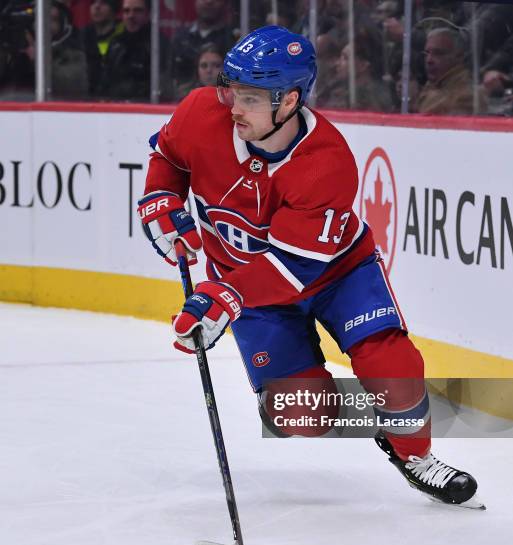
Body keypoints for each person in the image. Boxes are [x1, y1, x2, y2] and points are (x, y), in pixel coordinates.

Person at [137, 25, 482, 509]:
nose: (234, 106)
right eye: (231, 89)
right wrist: (159, 197)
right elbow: (168, 156)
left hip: (338, 275)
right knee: (300, 414)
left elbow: (292, 266)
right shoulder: (202, 111)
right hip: (251, 291)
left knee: (395, 371)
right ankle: (355, 404)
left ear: (290, 100)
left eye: (252, 98)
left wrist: (223, 298)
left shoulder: (326, 161)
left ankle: (414, 453)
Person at [101, 0, 169, 101]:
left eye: (137, 10)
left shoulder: (158, 44)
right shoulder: (115, 44)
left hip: (146, 107)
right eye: (126, 11)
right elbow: (105, 81)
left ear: (148, 14)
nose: (131, 15)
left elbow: (163, 84)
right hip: (115, 107)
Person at [171, 0, 236, 97]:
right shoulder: (180, 39)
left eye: (216, 65)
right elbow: (168, 79)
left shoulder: (235, 40)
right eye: (204, 66)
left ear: (226, 3)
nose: (209, 1)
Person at [417, 27, 485, 115]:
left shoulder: (467, 96)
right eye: (426, 53)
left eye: (438, 53)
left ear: (459, 56)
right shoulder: (434, 85)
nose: (429, 60)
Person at [80, 0, 123, 97]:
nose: (96, 7)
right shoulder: (80, 37)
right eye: (93, 2)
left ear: (114, 8)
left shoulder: (125, 34)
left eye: (103, 3)